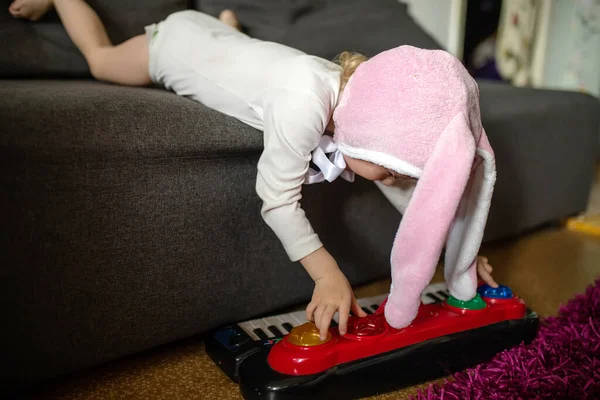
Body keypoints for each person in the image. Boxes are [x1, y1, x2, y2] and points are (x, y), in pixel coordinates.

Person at [9, 0, 498, 340]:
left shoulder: (358, 101)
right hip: (174, 44)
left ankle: (227, 26)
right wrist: (326, 273)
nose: (394, 182)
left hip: (218, 38)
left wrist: (454, 251)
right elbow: (277, 199)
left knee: (237, 47)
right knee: (100, 61)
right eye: (394, 172)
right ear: (370, 136)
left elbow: (417, 203)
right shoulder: (303, 106)